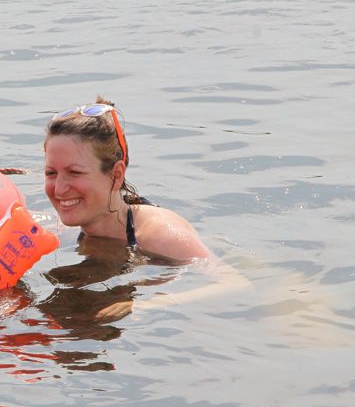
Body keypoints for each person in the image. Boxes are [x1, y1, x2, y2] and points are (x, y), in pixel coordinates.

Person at [43, 97, 249, 312]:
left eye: (75, 172)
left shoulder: (160, 234)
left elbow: (234, 283)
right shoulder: (64, 227)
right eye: (51, 173)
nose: (58, 189)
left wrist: (148, 305)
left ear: (116, 175)